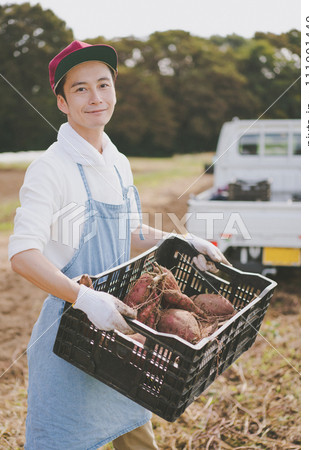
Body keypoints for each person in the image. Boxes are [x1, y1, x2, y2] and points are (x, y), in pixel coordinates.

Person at [8, 40, 230, 450]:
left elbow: (127, 231)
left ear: (115, 90)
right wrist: (83, 298)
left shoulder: (117, 161)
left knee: (137, 438)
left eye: (104, 85)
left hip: (124, 332)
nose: (95, 98)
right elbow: (22, 256)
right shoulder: (50, 169)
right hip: (70, 342)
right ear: (61, 101)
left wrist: (178, 238)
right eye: (80, 89)